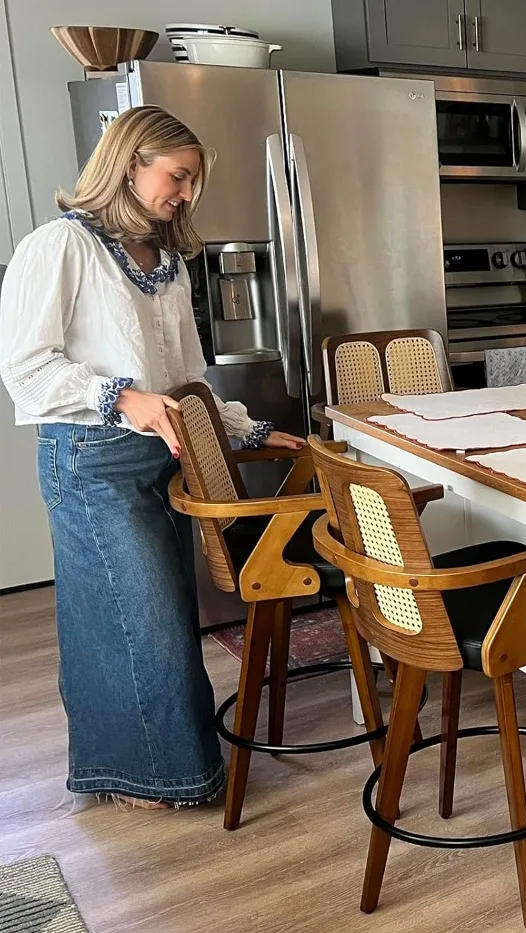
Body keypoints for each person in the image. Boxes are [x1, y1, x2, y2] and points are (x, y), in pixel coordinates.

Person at [0, 106, 304, 808]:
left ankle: (135, 768)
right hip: (89, 458)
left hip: (159, 458)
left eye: (193, 181)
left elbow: (186, 378)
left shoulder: (166, 261)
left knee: (138, 617)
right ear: (130, 162)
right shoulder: (60, 246)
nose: (186, 194)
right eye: (178, 176)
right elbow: (26, 368)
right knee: (141, 621)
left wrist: (248, 429)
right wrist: (121, 398)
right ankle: (161, 777)